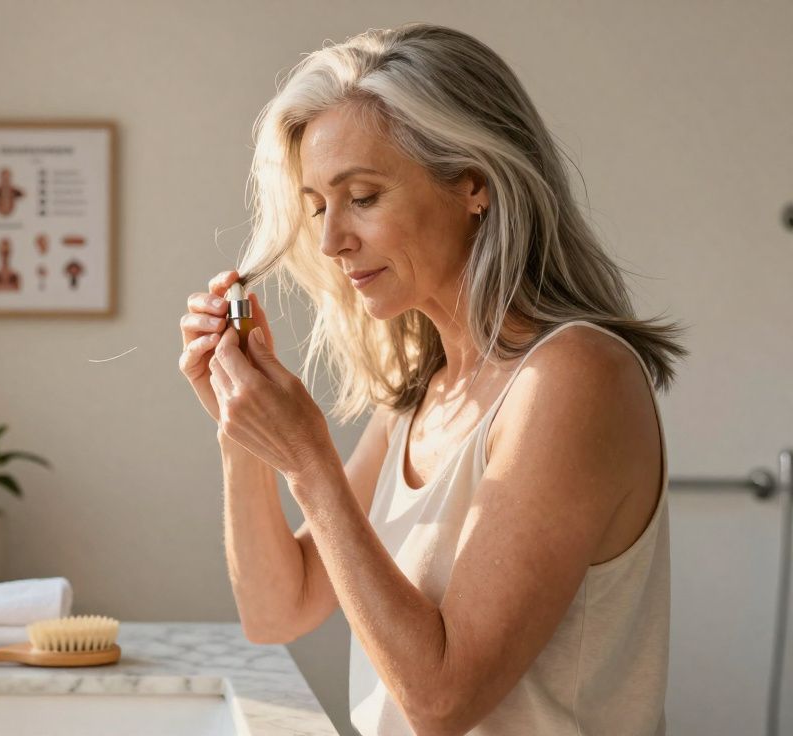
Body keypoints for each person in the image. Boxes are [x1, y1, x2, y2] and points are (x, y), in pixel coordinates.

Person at [178, 23, 686, 736]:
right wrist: (242, 426)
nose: (331, 241)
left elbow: (442, 701)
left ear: (472, 184)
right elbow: (277, 610)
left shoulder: (574, 378)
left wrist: (308, 460)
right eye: (320, 205)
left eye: (363, 196)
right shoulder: (424, 397)